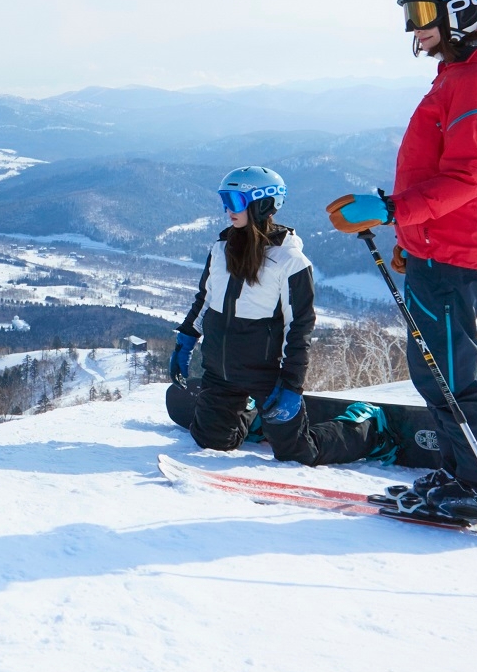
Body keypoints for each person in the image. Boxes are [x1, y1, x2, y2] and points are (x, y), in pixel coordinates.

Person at [328, 0, 477, 534]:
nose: (414, 27)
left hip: (455, 251)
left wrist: (393, 213)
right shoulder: (460, 76)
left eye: (424, 13)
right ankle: (466, 476)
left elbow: (466, 180)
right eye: (411, 14)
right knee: (434, 374)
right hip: (440, 246)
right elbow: (441, 176)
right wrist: (409, 235)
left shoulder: (474, 81)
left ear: (463, 13)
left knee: (455, 377)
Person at [163, 167, 386, 466]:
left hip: (268, 376)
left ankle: (367, 428)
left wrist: (292, 386)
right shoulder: (220, 249)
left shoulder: (290, 260)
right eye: (224, 200)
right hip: (221, 371)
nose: (228, 209)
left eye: (235, 200)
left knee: (297, 453)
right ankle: (254, 416)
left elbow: (300, 328)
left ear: (262, 204)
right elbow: (205, 298)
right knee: (211, 442)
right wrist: (186, 338)